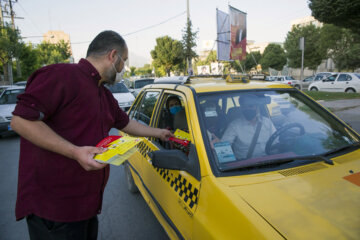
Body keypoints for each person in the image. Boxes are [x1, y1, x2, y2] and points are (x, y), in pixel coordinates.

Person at [10, 30, 173, 240]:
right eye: (123, 61)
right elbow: (20, 121)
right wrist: (75, 152)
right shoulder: (60, 76)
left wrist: (159, 132)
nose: (124, 68)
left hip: (85, 209)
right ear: (112, 56)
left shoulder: (103, 94)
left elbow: (126, 123)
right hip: (55, 212)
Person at [220, 94, 275, 160]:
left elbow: (275, 143)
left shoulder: (267, 122)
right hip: (245, 165)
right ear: (241, 108)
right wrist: (219, 146)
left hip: (269, 162)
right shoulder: (234, 125)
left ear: (257, 107)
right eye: (244, 107)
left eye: (250, 106)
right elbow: (224, 148)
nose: (247, 109)